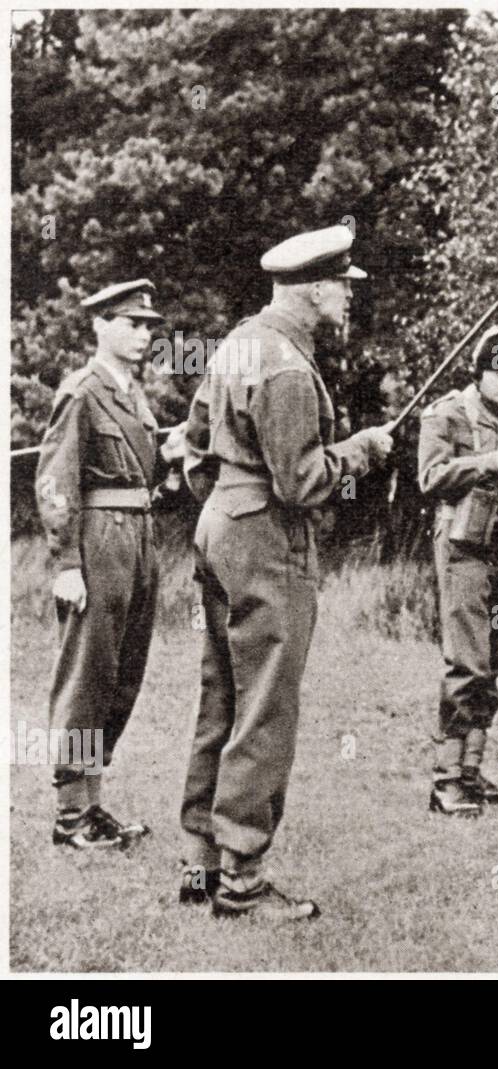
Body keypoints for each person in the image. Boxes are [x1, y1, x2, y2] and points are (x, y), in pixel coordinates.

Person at [179, 225, 394, 919]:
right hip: (267, 539)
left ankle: (200, 863)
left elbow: (195, 439)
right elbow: (301, 482)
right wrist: (359, 451)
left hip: (219, 525)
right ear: (312, 288)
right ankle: (242, 881)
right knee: (266, 703)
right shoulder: (290, 368)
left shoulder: (241, 341)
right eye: (342, 285)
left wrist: (225, 499)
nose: (349, 296)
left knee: (222, 695)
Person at [35, 280, 165, 849]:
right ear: (99, 326)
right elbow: (55, 478)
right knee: (87, 673)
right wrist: (66, 561)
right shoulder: (82, 391)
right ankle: (70, 815)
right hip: (97, 542)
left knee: (120, 673)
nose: (142, 335)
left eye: (148, 326)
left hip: (138, 537)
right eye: (130, 323)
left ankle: (92, 805)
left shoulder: (132, 394)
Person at [419, 328, 498, 817]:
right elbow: (429, 478)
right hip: (463, 550)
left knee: (494, 658)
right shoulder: (447, 413)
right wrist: (488, 461)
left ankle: (471, 771)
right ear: (479, 369)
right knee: (466, 660)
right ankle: (446, 781)